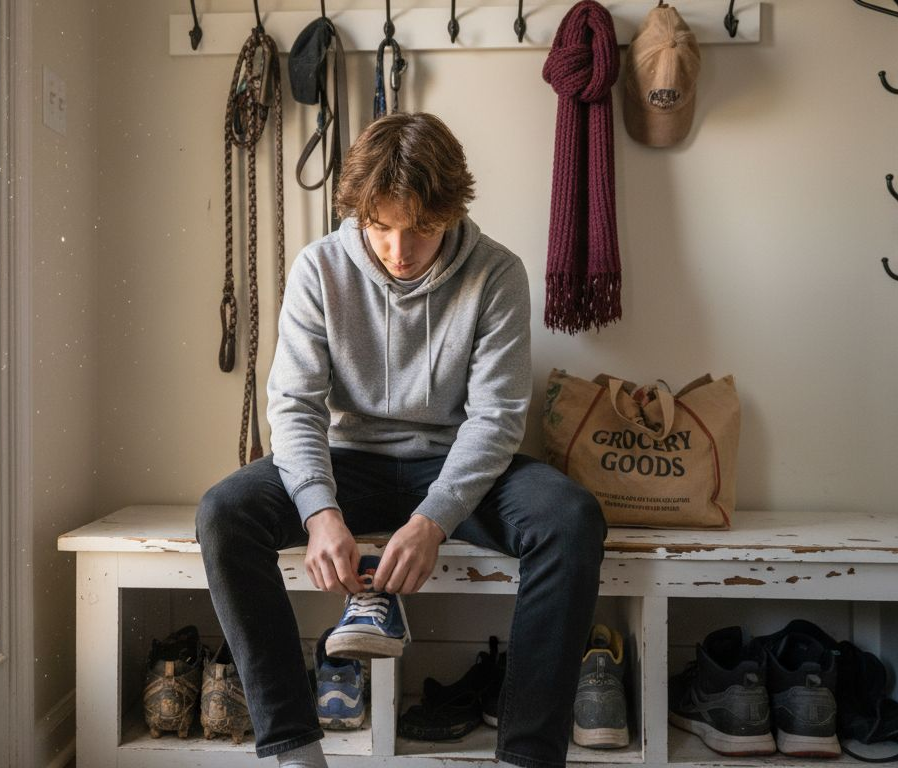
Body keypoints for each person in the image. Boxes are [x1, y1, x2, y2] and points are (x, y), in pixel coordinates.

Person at [197, 112, 606, 768]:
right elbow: (295, 406)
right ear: (360, 213)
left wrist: (432, 522)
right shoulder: (318, 268)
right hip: (349, 460)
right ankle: (296, 751)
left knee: (570, 517)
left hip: (456, 467)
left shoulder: (497, 273)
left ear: (451, 209)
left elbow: (496, 419)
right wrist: (318, 510)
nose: (399, 249)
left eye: (420, 226)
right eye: (380, 226)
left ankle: (527, 757)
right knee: (224, 512)